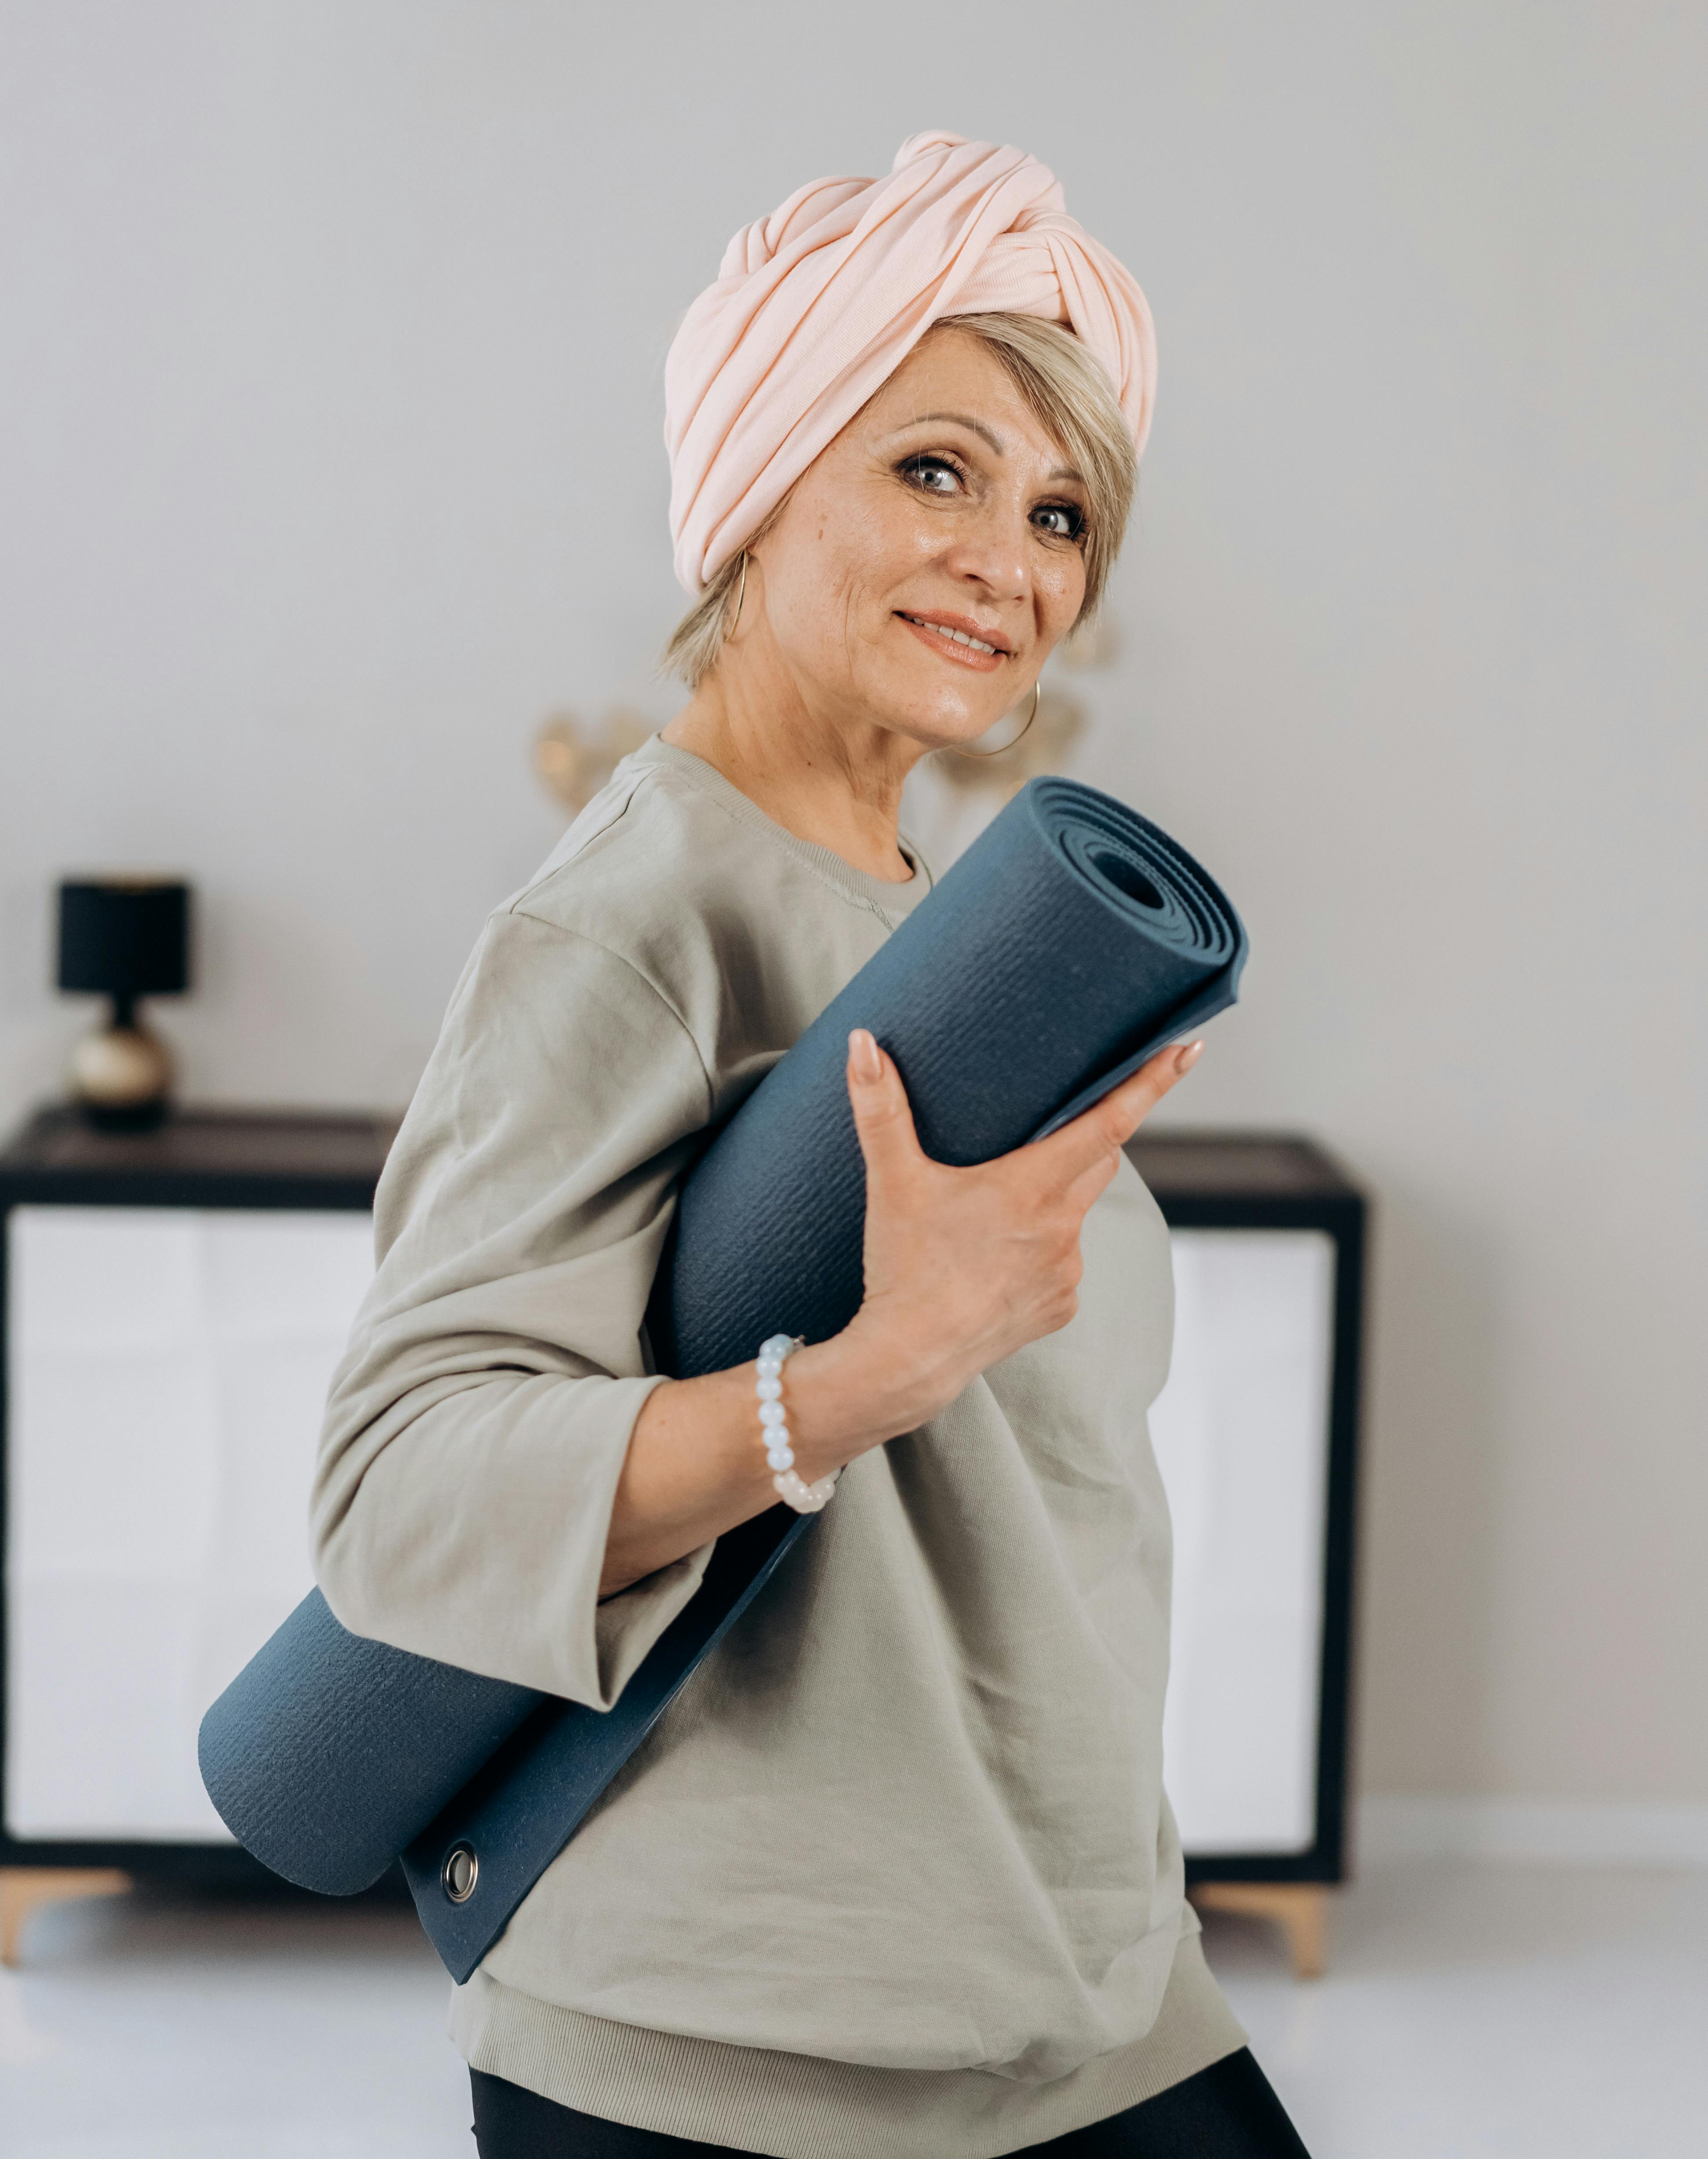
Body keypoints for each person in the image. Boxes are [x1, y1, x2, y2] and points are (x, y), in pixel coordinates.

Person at [313, 132, 1311, 2159]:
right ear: (760, 488)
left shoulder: (940, 931)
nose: (1009, 563)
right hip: (736, 2052)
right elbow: (399, 1498)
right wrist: (866, 1376)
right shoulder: (627, 924)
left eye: (1060, 513)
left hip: (1087, 1982)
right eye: (930, 470)